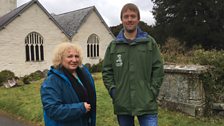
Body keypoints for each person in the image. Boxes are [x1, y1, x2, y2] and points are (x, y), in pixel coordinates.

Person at [102, 3, 164, 126]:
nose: (129, 19)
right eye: (126, 16)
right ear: (122, 20)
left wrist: (152, 91)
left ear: (138, 19)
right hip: (123, 103)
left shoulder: (149, 43)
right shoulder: (114, 46)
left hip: (146, 102)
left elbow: (158, 68)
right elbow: (107, 71)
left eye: (133, 16)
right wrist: (114, 92)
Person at [40, 42, 96, 126]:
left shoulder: (83, 73)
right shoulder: (51, 81)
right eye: (69, 56)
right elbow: (52, 109)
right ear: (60, 58)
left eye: (76, 56)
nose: (74, 60)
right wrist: (81, 108)